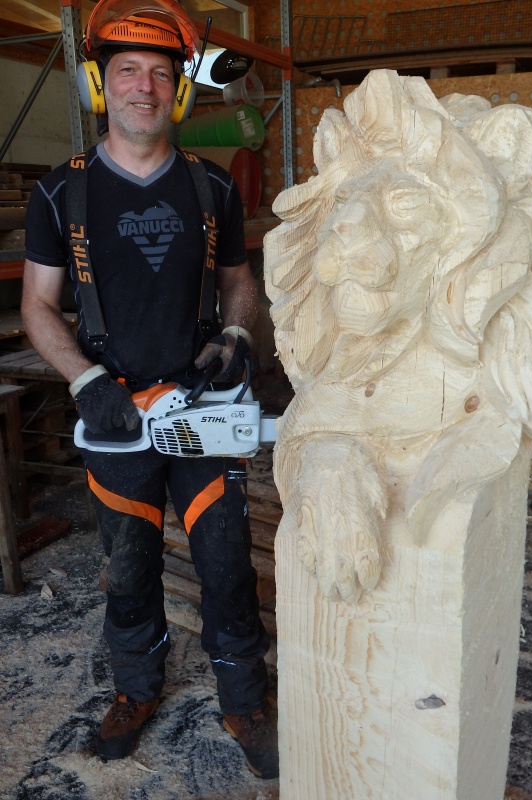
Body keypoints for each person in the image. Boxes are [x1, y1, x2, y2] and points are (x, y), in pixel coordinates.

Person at [21, 0, 278, 780]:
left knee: (227, 565)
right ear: (101, 85)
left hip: (201, 413)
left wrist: (237, 338)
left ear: (180, 90)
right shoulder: (59, 194)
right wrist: (86, 379)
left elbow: (240, 285)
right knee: (129, 570)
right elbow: (38, 306)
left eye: (160, 73)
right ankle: (137, 689)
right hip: (117, 418)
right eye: (127, 70)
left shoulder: (210, 187)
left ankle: (245, 699)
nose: (144, 86)